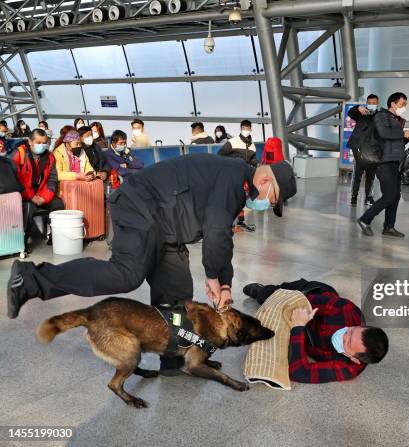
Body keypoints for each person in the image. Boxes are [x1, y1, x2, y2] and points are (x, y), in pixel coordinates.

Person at [7, 155, 297, 371]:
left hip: (165, 227)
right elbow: (216, 233)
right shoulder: (233, 180)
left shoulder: (236, 181)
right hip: (141, 209)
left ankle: (175, 359)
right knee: (127, 273)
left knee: (176, 291)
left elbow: (222, 239)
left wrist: (224, 284)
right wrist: (213, 278)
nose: (267, 206)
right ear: (266, 183)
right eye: (273, 201)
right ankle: (30, 278)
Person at [243, 279, 389, 383]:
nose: (344, 335)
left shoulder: (349, 369)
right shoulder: (346, 310)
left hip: (303, 329)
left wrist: (298, 329)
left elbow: (299, 372)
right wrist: (298, 319)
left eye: (347, 342)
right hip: (314, 294)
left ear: (354, 359)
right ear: (360, 326)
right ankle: (262, 290)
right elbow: (296, 302)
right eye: (351, 331)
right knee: (272, 296)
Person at [357, 92, 409, 238]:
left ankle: (389, 227)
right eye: (402, 104)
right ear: (393, 104)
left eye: (405, 105)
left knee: (395, 196)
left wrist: (407, 137)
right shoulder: (381, 116)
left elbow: (396, 142)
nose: (404, 107)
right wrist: (403, 133)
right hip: (383, 161)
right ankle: (365, 219)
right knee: (389, 195)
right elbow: (383, 133)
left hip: (395, 161)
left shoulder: (398, 120)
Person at [12, 129, 64, 249]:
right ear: (30, 141)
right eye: (38, 142)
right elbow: (15, 180)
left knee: (58, 204)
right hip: (23, 195)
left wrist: (45, 198)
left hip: (41, 194)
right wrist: (31, 197)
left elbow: (52, 179)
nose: (42, 145)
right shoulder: (19, 154)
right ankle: (22, 243)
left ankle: (54, 237)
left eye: (44, 142)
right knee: (29, 207)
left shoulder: (50, 157)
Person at [347, 94, 379, 207]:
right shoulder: (361, 113)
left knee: (371, 175)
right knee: (357, 173)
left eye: (374, 103)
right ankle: (354, 197)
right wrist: (357, 108)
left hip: (373, 150)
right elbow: (350, 113)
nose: (371, 105)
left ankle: (368, 197)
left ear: (377, 103)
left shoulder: (380, 116)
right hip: (359, 148)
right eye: (369, 103)